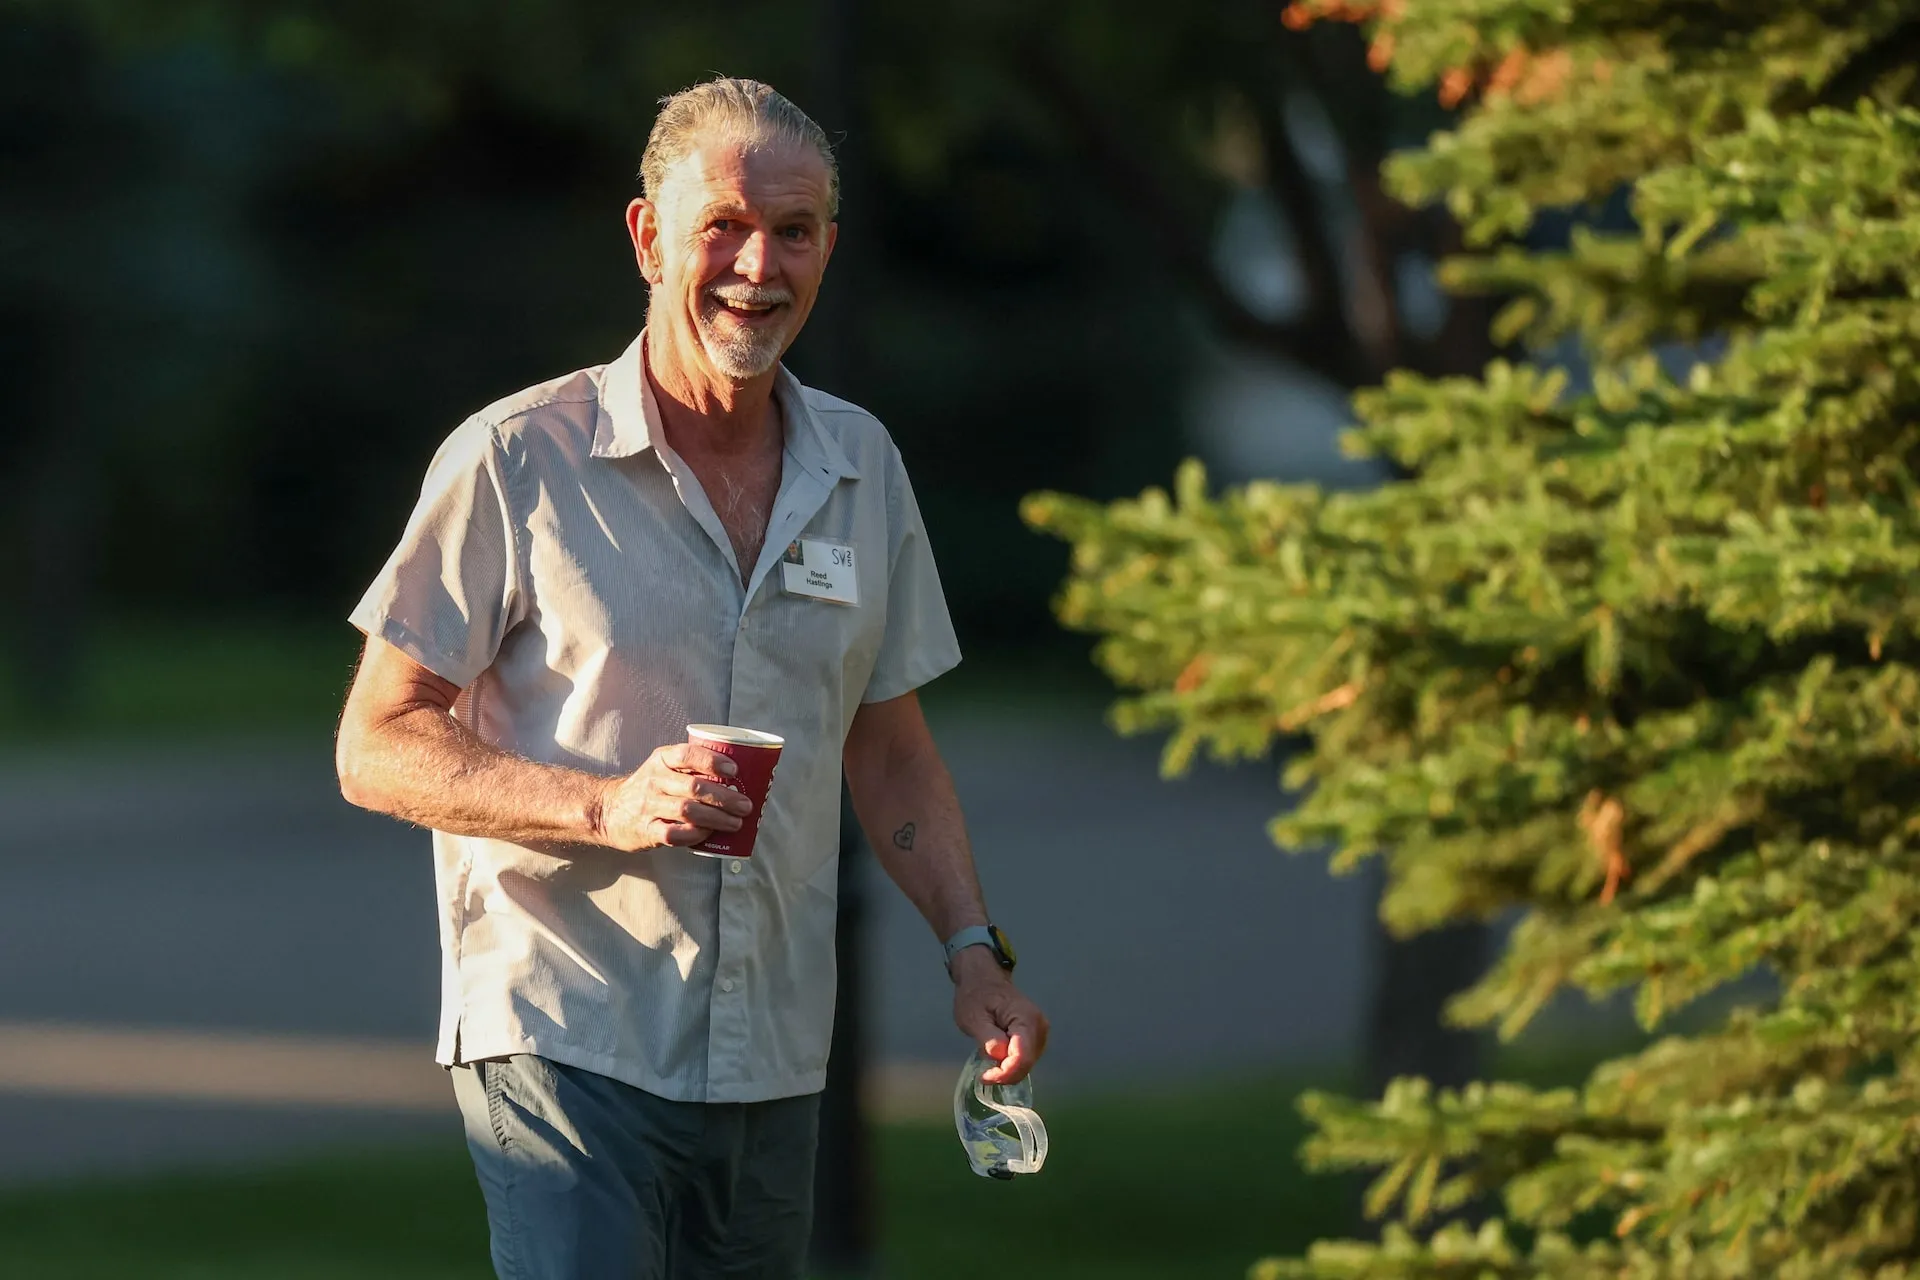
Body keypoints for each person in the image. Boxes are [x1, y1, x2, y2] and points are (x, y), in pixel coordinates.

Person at [333, 76, 1050, 1280]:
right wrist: (607, 804)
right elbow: (375, 740)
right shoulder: (516, 458)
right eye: (722, 223)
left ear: (830, 245)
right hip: (565, 1030)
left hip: (772, 1048)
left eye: (796, 229)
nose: (757, 264)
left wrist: (975, 951)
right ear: (648, 235)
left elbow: (889, 746)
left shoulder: (862, 466)